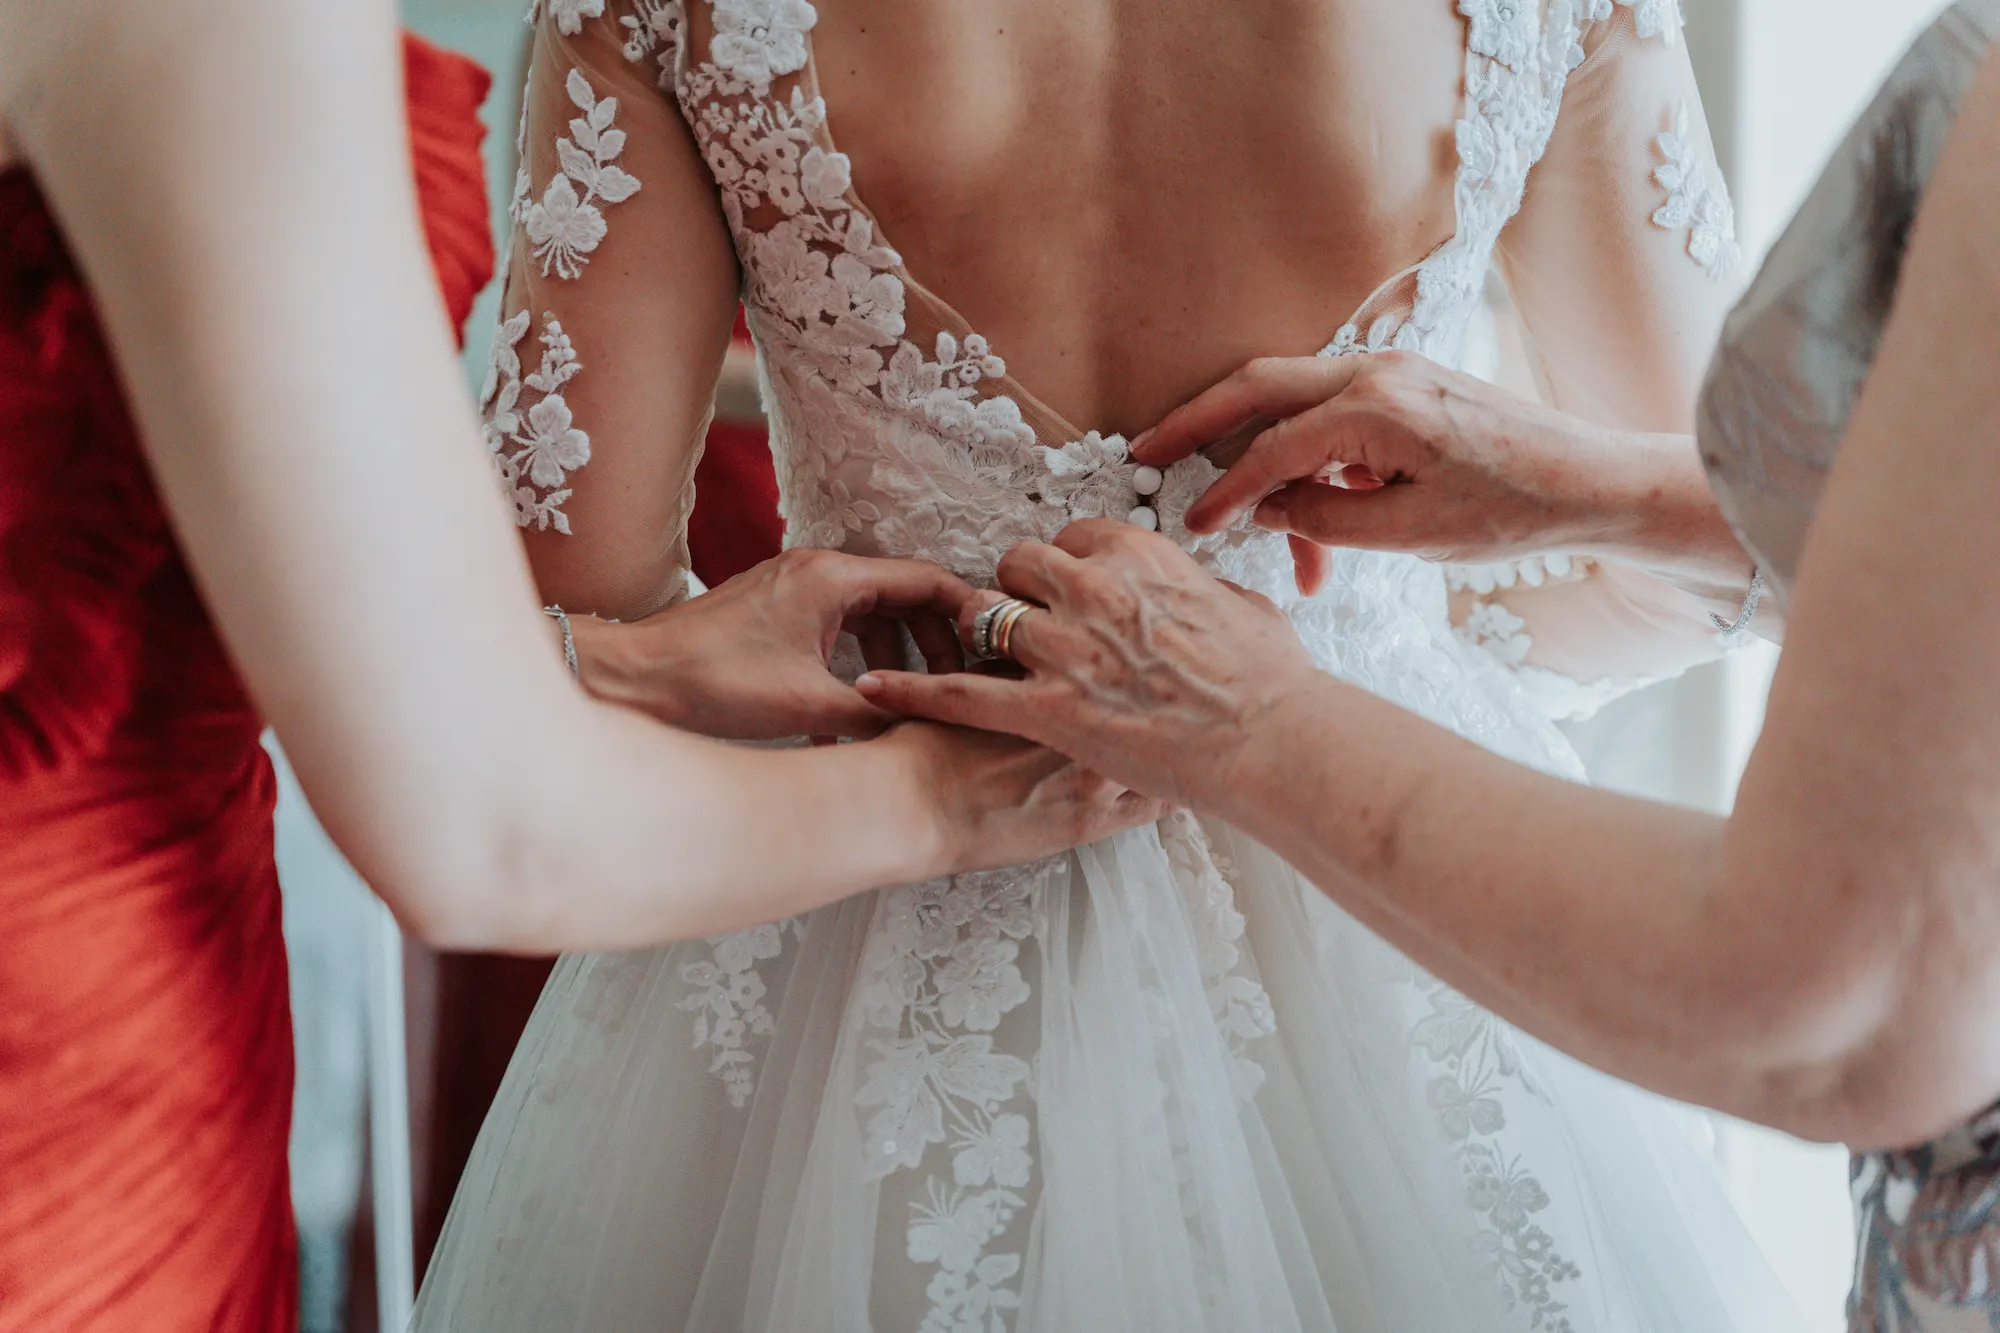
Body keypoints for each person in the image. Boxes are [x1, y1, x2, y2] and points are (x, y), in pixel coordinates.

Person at [413, 1, 1808, 1329]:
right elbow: (1706, 565)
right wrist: (1387, 661)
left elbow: (574, 599)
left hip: (855, 888)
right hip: (1362, 880)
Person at [0, 0, 1154, 1327]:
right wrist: (946, 797)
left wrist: (631, 663)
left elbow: (540, 593)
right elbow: (480, 827)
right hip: (66, 1042)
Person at [860, 2, 2000, 1327]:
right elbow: (1745, 594)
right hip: (1377, 954)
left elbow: (1851, 1000)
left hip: (880, 887)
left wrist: (1267, 706)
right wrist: (1418, 625)